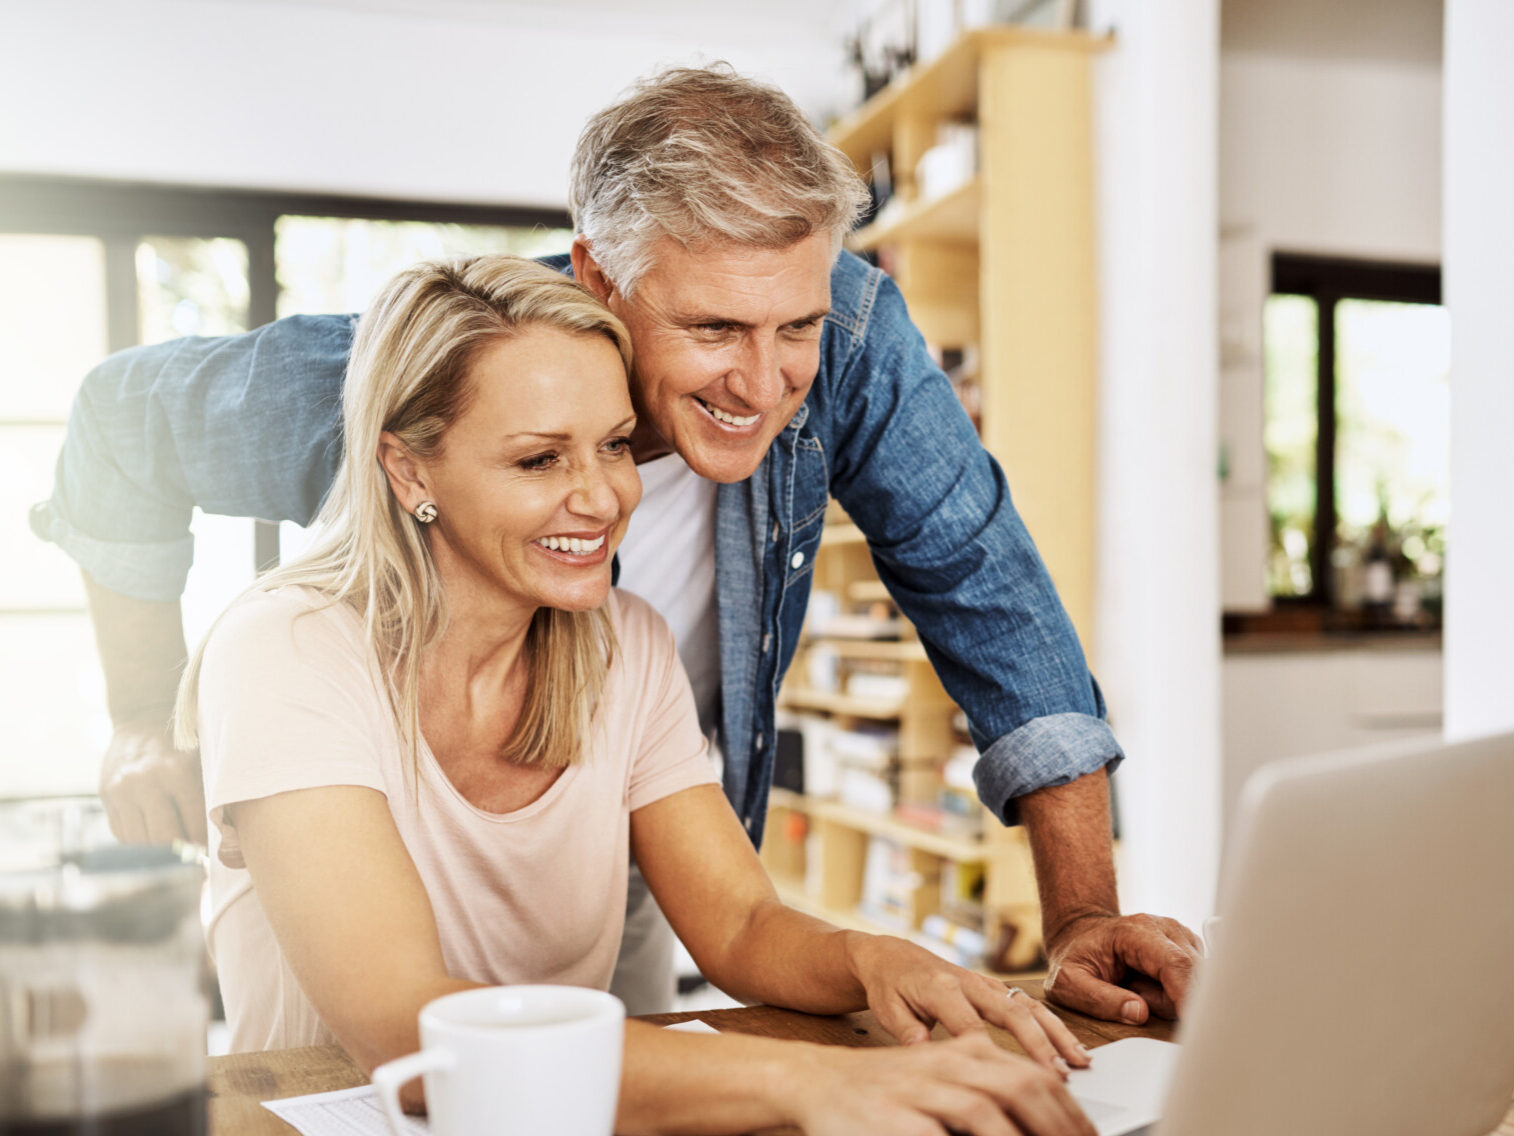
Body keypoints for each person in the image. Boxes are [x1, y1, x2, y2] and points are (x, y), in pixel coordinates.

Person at [34, 64, 1202, 1028]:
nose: (765, 379)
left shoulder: (840, 343)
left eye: (793, 323)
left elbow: (984, 587)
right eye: (710, 328)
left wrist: (1076, 918)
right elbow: (117, 427)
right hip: (372, 831)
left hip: (633, 830)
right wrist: (143, 710)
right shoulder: (417, 373)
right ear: (598, 272)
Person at [177, 253, 1107, 1136]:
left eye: (615, 445)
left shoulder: (626, 645)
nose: (601, 497)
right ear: (408, 467)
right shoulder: (286, 647)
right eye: (539, 458)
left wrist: (875, 960)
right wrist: (816, 1081)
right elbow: (410, 1027)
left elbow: (740, 924)